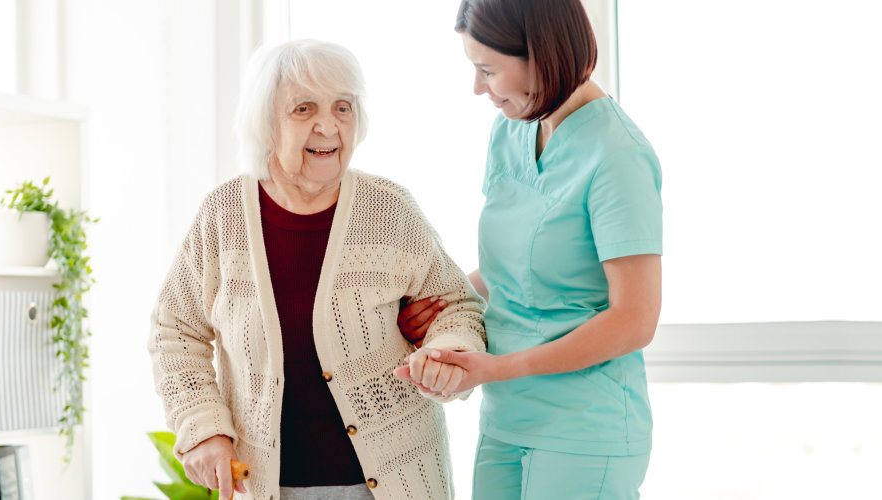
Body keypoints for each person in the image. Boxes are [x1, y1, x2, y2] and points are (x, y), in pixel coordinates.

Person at [149, 38, 487, 500]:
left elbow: (457, 308)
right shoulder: (223, 215)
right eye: (303, 108)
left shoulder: (390, 211)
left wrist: (446, 351)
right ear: (266, 123)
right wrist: (203, 427)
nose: (328, 125)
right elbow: (175, 330)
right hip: (268, 484)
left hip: (397, 479)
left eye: (343, 108)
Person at [396, 1, 665, 498]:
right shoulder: (511, 128)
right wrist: (442, 308)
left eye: (488, 70)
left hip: (584, 430)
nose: (478, 88)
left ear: (541, 56)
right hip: (505, 417)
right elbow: (510, 270)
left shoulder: (618, 156)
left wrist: (501, 367)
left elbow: (636, 319)